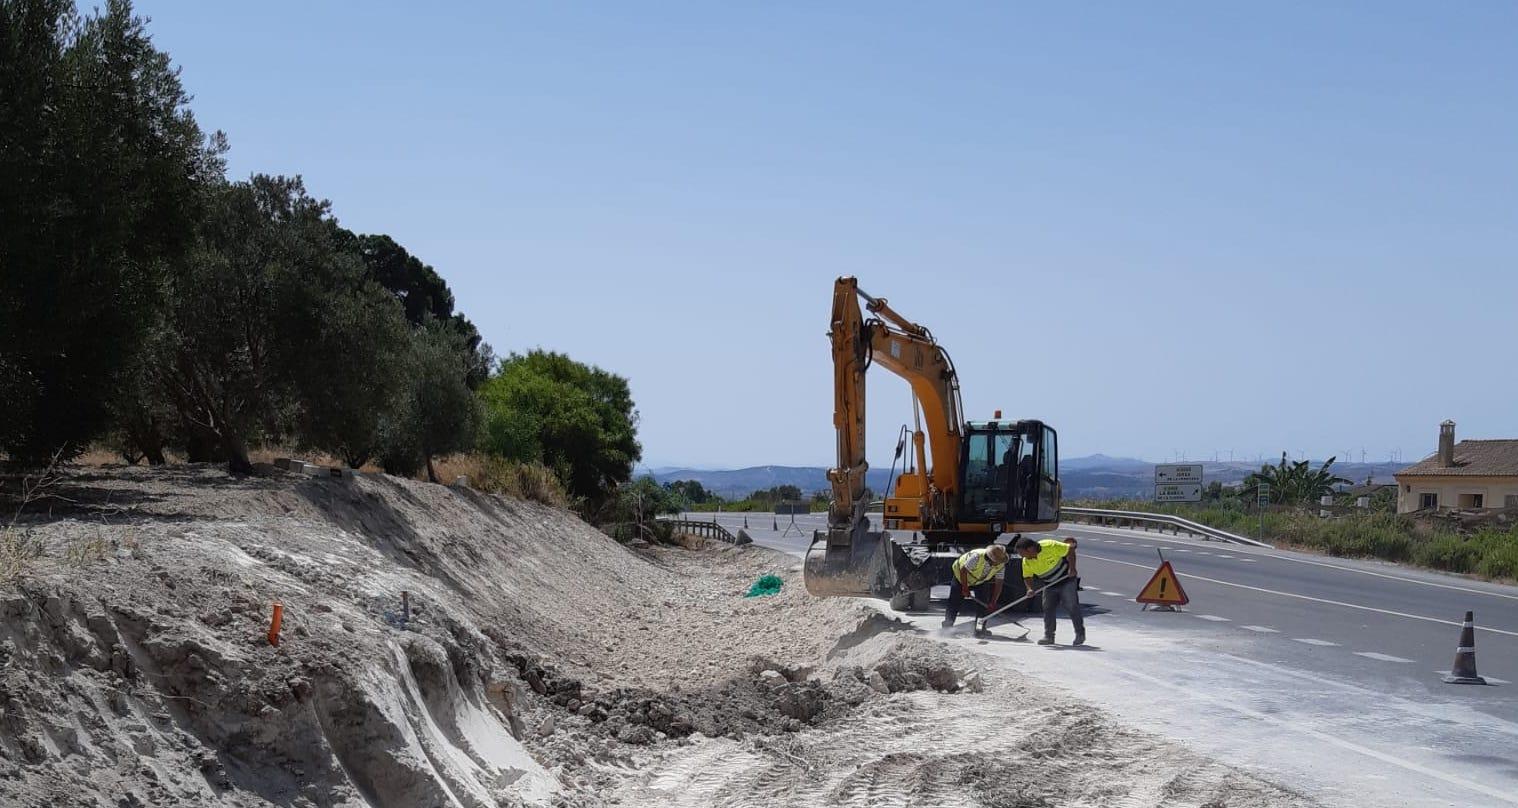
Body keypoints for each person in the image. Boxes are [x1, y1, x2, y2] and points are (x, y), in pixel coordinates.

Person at [1013, 535, 1084, 646]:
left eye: (1022, 553)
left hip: (1066, 580)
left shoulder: (1049, 545)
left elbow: (1069, 549)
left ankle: (1080, 634)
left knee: (1071, 606)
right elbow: (1027, 576)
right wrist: (1030, 589)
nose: (1021, 556)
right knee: (1047, 608)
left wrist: (1072, 568)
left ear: (1030, 549)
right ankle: (1049, 636)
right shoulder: (1026, 561)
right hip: (1049, 584)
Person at [942, 544, 1009, 628]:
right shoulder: (977, 556)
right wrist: (965, 588)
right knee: (954, 602)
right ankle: (947, 625)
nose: (997, 564)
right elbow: (963, 571)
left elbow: (999, 583)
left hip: (980, 581)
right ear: (990, 558)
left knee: (983, 606)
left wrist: (993, 602)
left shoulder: (1001, 565)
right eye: (996, 561)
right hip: (961, 578)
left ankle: (979, 629)